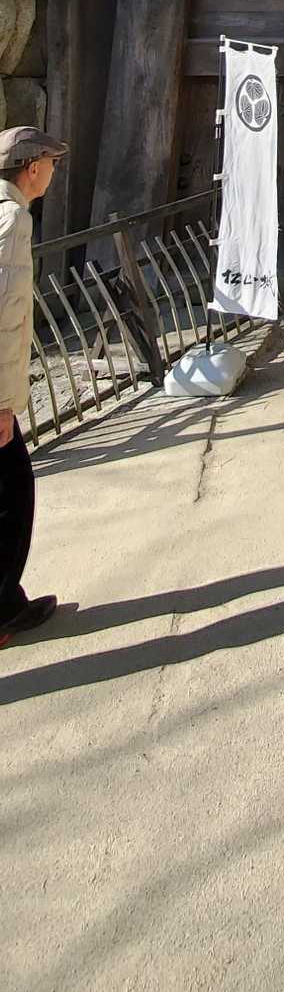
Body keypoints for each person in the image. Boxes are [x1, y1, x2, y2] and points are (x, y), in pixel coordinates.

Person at [0, 126, 68, 647]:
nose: (53, 173)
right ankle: (4, 608)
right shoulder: (12, 221)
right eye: (51, 164)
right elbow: (5, 314)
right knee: (13, 494)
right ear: (32, 168)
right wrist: (3, 405)